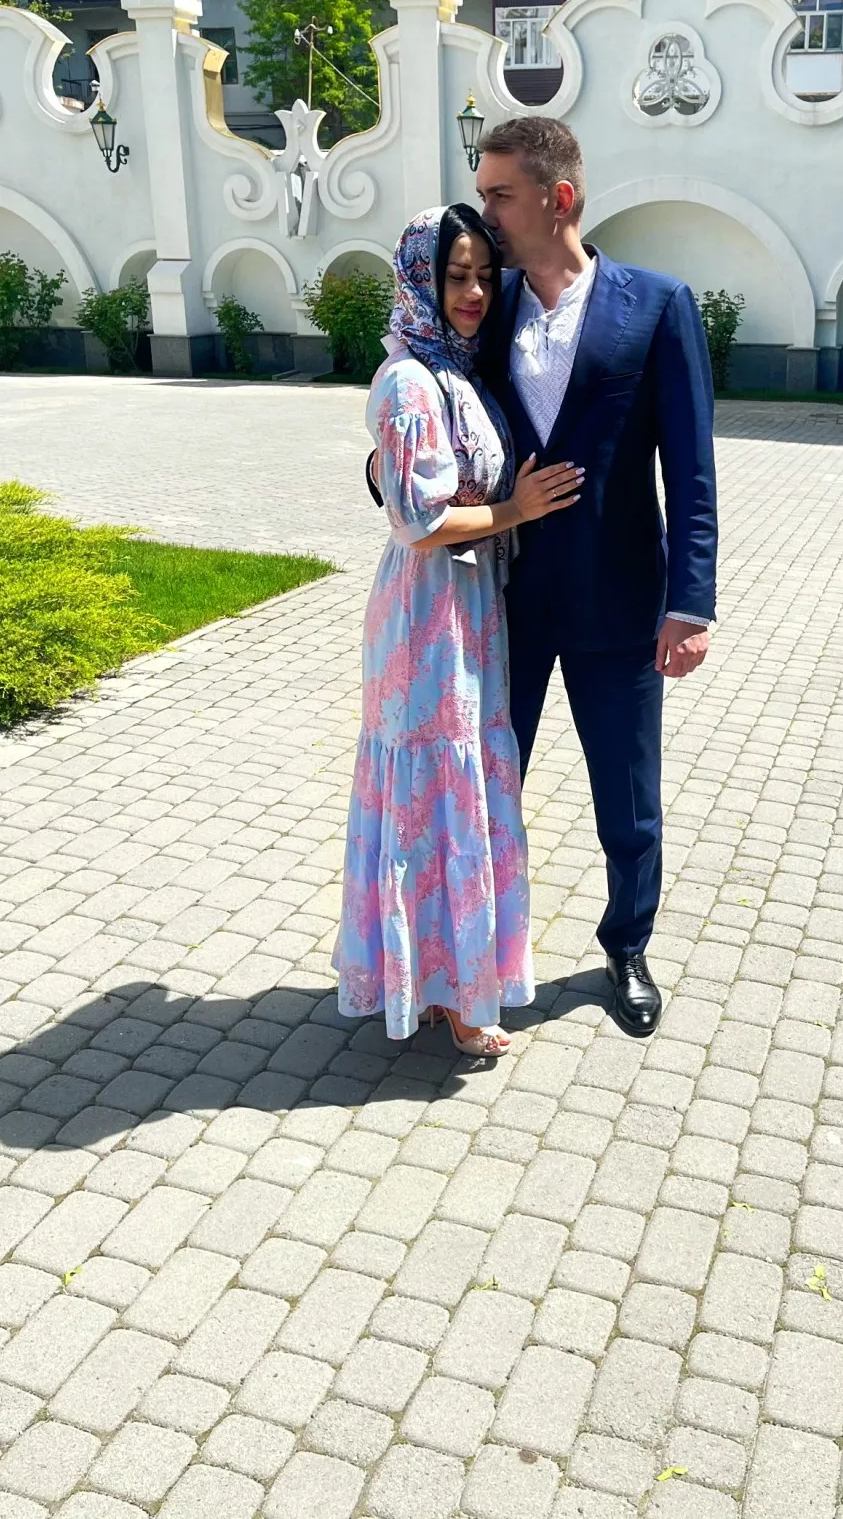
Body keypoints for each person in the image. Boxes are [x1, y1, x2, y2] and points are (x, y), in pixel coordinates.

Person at [477, 118, 718, 1038]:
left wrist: (689, 603)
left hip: (620, 603)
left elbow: (691, 469)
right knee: (490, 783)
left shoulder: (655, 305)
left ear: (559, 198)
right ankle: (478, 948)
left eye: (502, 195)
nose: (487, 213)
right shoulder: (486, 304)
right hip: (502, 600)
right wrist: (389, 474)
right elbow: (428, 409)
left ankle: (627, 945)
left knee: (628, 796)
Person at [332, 204, 582, 1056]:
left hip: (469, 606)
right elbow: (418, 519)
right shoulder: (410, 381)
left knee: (457, 791)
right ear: (420, 281)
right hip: (426, 616)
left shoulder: (454, 368)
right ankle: (453, 993)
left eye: (483, 276)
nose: (474, 292)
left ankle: (448, 982)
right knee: (435, 794)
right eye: (455, 276)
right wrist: (516, 508)